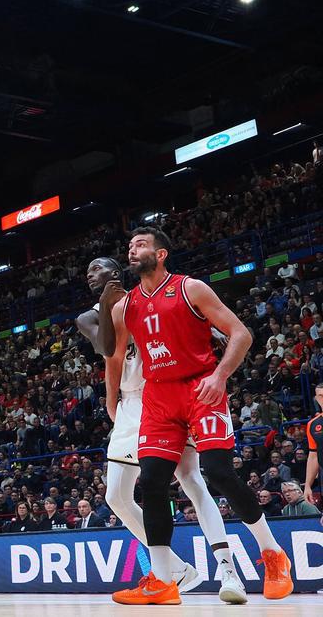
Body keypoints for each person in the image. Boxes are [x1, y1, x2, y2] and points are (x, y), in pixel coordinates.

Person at [108, 227, 293, 605]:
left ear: (161, 254)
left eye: (140, 245)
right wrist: (112, 400)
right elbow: (112, 356)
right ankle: (163, 580)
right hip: (158, 395)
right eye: (129, 246)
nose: (132, 250)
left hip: (199, 387)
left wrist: (220, 375)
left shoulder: (191, 288)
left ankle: (273, 554)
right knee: (153, 480)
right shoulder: (124, 306)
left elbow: (240, 334)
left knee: (219, 472)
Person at [78, 256, 241, 601]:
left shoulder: (148, 299)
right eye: (88, 272)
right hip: (131, 401)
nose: (91, 275)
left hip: (166, 394)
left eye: (98, 268)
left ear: (117, 271)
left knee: (192, 481)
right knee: (116, 496)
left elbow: (187, 326)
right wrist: (112, 400)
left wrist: (210, 332)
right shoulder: (89, 316)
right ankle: (176, 569)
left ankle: (227, 571)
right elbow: (109, 352)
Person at [304, 384, 323, 506]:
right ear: (316, 399)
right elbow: (313, 456)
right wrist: (307, 485)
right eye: (321, 396)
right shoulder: (313, 424)